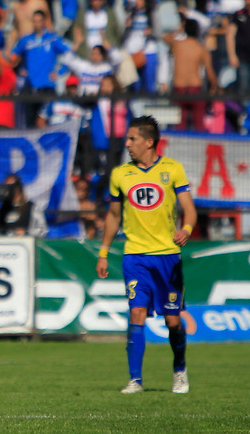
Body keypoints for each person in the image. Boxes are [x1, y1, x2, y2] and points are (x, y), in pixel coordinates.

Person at [96, 115, 197, 395]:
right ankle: (135, 380)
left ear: (149, 142)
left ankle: (179, 370)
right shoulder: (120, 174)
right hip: (135, 256)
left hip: (167, 256)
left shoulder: (172, 169)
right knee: (137, 313)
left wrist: (187, 228)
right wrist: (103, 252)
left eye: (132, 139)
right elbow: (114, 216)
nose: (127, 144)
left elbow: (189, 209)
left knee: (172, 320)